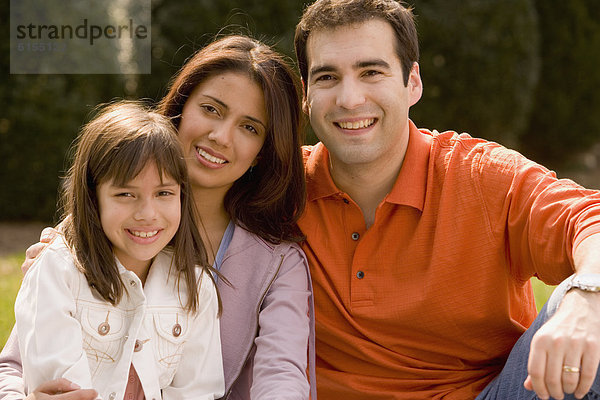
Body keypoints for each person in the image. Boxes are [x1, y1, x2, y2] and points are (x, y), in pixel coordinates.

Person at [293, 0, 600, 399]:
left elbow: (589, 218)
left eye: (371, 72)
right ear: (306, 94)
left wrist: (587, 298)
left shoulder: (479, 175)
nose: (350, 99)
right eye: (328, 77)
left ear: (413, 82)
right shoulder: (278, 188)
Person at [0, 36, 316, 400]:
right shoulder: (94, 229)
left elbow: (281, 375)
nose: (220, 136)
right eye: (211, 109)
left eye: (250, 127)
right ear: (181, 109)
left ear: (264, 151)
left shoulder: (277, 264)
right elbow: (14, 367)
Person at [13, 101, 224, 400]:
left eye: (164, 193)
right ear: (93, 196)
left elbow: (197, 392)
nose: (147, 213)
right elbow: (66, 390)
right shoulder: (57, 272)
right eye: (126, 194)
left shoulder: (196, 287)